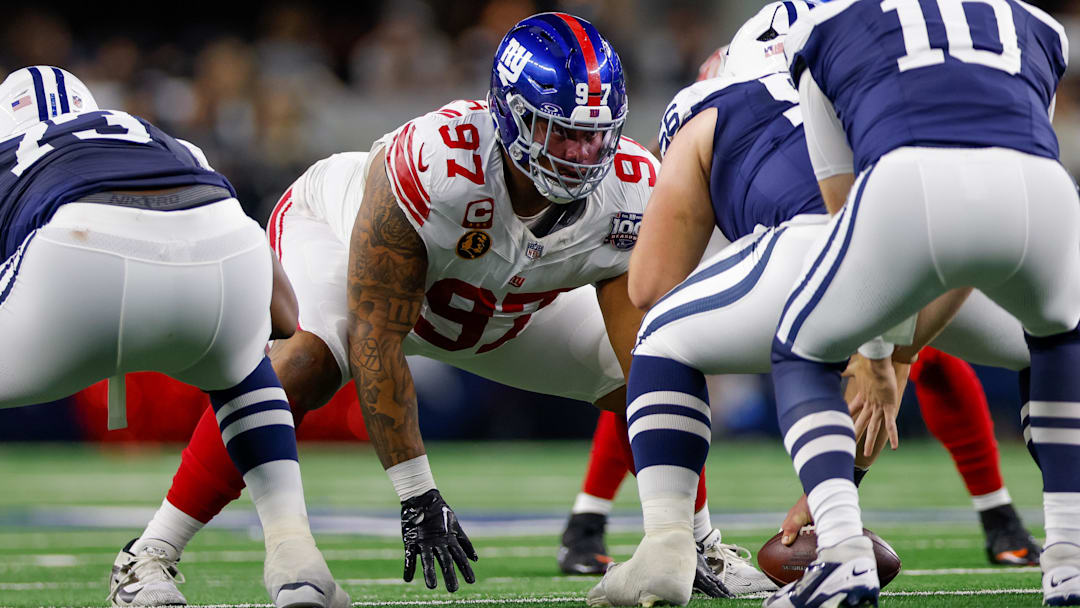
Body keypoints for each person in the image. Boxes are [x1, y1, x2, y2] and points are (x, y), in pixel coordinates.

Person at [113, 12, 770, 603]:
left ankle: (697, 542)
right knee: (308, 363)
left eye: (592, 137)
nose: (578, 155)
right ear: (510, 114)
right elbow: (375, 336)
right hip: (344, 246)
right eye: (559, 133)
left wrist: (671, 525)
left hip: (498, 302)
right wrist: (416, 494)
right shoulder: (438, 165)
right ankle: (149, 553)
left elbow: (644, 361)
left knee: (652, 374)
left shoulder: (631, 187)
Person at [584, 2, 1042, 605]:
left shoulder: (708, 105)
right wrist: (891, 357)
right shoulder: (873, 85)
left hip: (826, 240)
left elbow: (647, 288)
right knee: (1055, 339)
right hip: (977, 224)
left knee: (663, 336)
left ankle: (668, 546)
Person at [763, 0, 1079, 606]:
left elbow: (843, 210)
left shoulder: (820, 26)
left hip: (908, 181)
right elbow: (1013, 161)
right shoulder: (1039, 24)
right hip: (1044, 191)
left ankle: (842, 556)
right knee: (1062, 337)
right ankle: (1070, 560)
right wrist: (895, 358)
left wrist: (878, 353)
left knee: (801, 345)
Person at [0, 66, 347, 608]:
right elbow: (284, 315)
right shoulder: (160, 139)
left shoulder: (11, 154)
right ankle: (295, 554)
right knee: (243, 365)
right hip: (223, 250)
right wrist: (231, 345)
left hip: (74, 260)